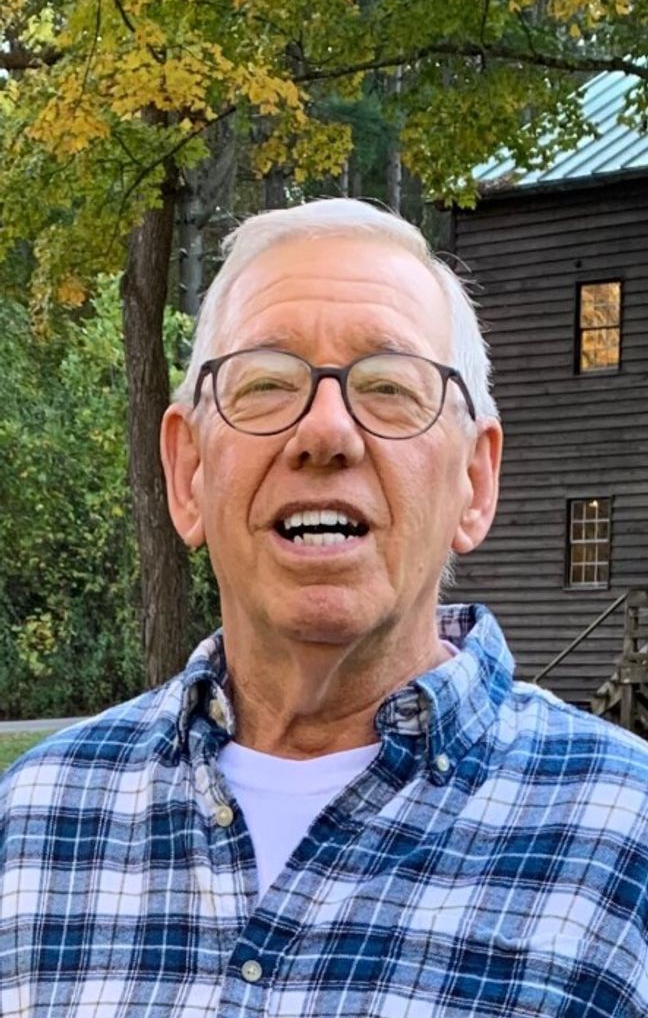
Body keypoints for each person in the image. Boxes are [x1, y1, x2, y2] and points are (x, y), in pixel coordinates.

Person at [1, 199, 647, 1018]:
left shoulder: (627, 842)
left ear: (475, 483)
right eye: (267, 384)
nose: (326, 432)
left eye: (389, 388)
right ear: (187, 473)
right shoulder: (33, 822)